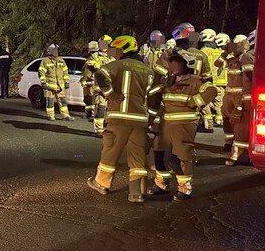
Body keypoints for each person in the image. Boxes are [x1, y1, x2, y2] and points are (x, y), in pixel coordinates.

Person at [87, 36, 156, 203]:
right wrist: (151, 119)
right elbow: (154, 97)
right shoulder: (148, 71)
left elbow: (100, 75)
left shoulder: (118, 65)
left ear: (123, 49)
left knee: (111, 151)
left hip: (119, 118)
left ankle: (101, 183)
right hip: (140, 120)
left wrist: (111, 94)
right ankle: (136, 193)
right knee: (138, 156)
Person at [147, 49, 217, 201]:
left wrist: (193, 102)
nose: (173, 65)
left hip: (184, 125)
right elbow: (153, 95)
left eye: (176, 62)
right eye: (171, 62)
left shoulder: (195, 81)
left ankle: (185, 188)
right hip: (166, 124)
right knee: (159, 153)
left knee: (181, 157)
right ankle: (161, 184)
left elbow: (212, 91)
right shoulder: (168, 81)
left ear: (187, 64)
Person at [227, 30, 256, 166]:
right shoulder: (255, 55)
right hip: (256, 95)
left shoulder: (249, 56)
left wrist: (240, 103)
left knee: (240, 127)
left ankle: (239, 155)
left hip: (246, 96)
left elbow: (249, 77)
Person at [214, 35, 246, 154]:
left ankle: (238, 144)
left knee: (238, 120)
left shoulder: (245, 59)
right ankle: (228, 142)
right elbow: (217, 64)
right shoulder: (231, 60)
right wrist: (225, 52)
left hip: (240, 95)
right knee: (226, 118)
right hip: (228, 95)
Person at [82, 40, 112, 136]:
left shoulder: (111, 57)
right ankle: (99, 129)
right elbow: (90, 65)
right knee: (101, 107)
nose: (104, 48)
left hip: (111, 87)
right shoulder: (95, 57)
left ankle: (107, 127)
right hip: (100, 87)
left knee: (109, 109)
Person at [38, 44, 74, 121]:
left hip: (60, 86)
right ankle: (50, 115)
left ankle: (65, 115)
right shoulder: (45, 61)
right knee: (50, 101)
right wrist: (43, 82)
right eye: (54, 50)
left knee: (63, 101)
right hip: (49, 85)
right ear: (50, 51)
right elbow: (41, 72)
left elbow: (65, 72)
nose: (55, 52)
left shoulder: (61, 60)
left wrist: (66, 82)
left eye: (56, 50)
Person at [199, 29, 224, 132]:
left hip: (206, 80)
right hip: (220, 82)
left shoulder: (202, 51)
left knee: (204, 102)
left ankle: (208, 125)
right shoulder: (220, 51)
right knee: (219, 102)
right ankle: (219, 121)